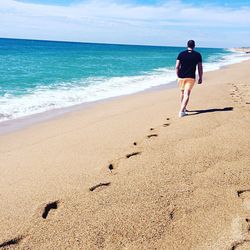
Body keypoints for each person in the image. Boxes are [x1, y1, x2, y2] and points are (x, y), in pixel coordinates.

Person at [176, 40, 203, 117]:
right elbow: (200, 67)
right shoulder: (197, 55)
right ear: (194, 46)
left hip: (181, 77)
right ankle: (181, 111)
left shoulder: (181, 54)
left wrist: (177, 76)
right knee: (187, 94)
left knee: (182, 93)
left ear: (187, 45)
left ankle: (184, 108)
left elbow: (177, 66)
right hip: (191, 77)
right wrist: (200, 77)